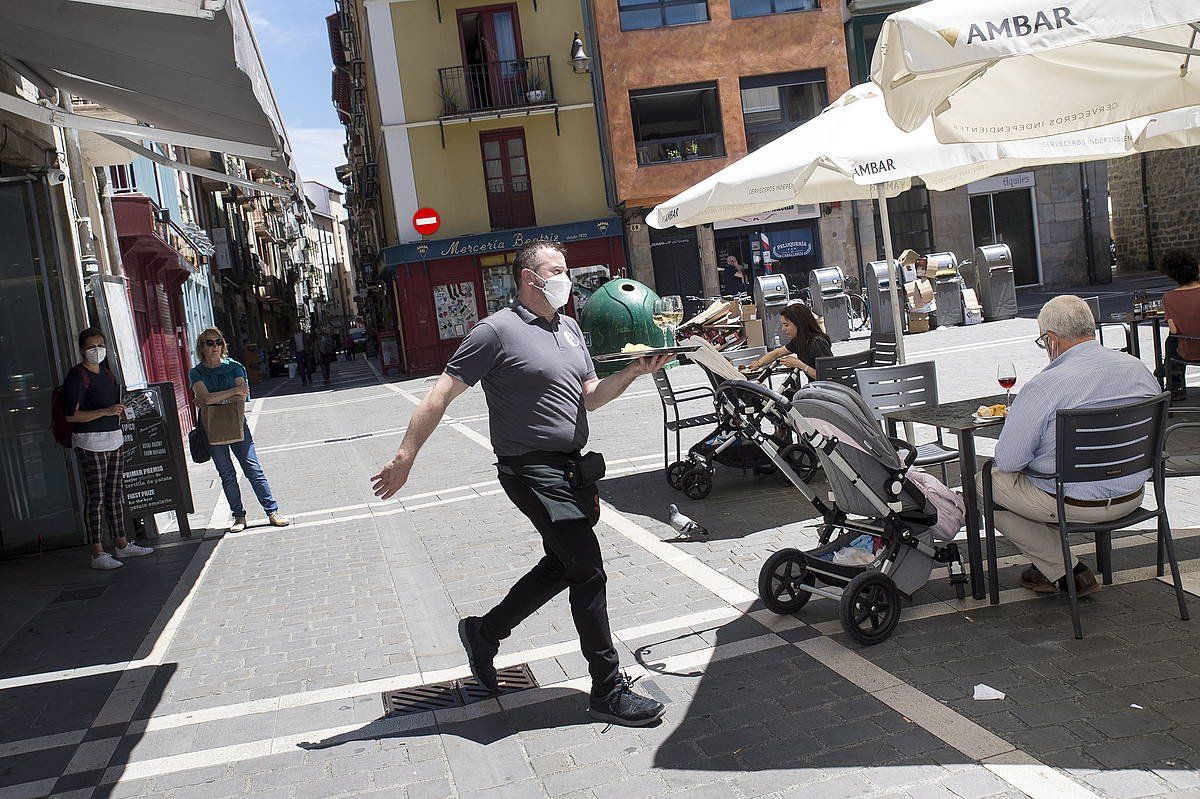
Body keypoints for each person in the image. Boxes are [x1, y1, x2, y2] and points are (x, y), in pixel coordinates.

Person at [371, 240, 672, 727]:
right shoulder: (496, 332)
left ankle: (484, 633)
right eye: (557, 270)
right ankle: (607, 687)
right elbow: (439, 395)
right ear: (530, 278)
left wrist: (634, 371)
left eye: (566, 270)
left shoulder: (569, 328)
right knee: (588, 570)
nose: (566, 278)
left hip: (571, 468)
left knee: (562, 565)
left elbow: (590, 397)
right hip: (530, 470)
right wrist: (404, 457)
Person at [977, 296, 1160, 597]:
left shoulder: (1044, 386)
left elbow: (1008, 461)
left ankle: (1066, 570)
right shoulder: (1138, 369)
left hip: (1073, 505)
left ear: (1051, 341)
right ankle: (1051, 565)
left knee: (984, 482)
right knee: (1031, 484)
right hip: (1133, 496)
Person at [63, 328, 155, 569]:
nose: (97, 350)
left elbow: (113, 403)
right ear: (82, 350)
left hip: (114, 439)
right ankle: (96, 552)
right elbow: (71, 416)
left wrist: (121, 412)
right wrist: (103, 412)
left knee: (114, 494)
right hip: (90, 443)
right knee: (97, 497)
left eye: (100, 345)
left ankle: (122, 544)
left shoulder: (107, 373)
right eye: (92, 346)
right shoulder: (77, 377)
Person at [190, 327, 290, 533]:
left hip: (237, 424)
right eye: (209, 343)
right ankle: (239, 517)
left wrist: (214, 399)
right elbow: (206, 398)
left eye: (218, 342)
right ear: (202, 347)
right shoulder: (196, 372)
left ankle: (272, 511)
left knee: (253, 469)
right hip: (212, 429)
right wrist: (229, 394)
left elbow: (241, 395)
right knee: (226, 474)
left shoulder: (234, 367)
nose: (215, 346)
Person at [747, 302, 833, 381]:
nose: (783, 329)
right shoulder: (799, 341)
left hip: (829, 391)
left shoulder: (817, 342)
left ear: (799, 324)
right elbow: (777, 353)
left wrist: (798, 364)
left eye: (786, 325)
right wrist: (758, 363)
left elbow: (828, 376)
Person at [1159, 249, 1200, 399]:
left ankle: (1175, 384)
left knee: (1172, 339)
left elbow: (1174, 329)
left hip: (1189, 351)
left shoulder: (1168, 298)